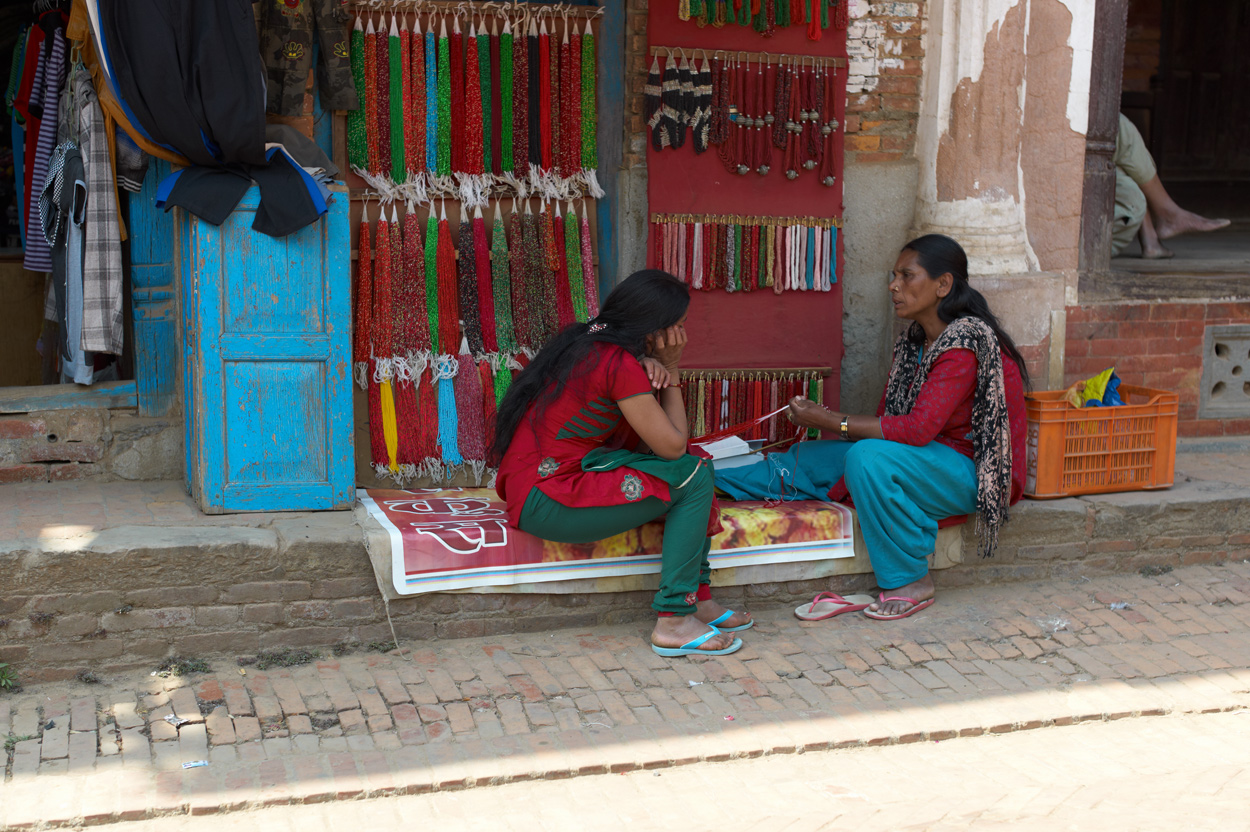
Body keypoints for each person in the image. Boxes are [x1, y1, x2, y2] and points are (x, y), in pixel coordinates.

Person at [716, 235, 1028, 620]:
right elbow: (888, 423)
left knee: (866, 459)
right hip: (925, 459)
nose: (893, 286)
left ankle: (910, 579)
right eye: (893, 275)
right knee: (808, 457)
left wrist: (828, 420)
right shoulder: (914, 342)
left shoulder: (965, 345)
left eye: (907, 276)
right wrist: (833, 433)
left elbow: (915, 430)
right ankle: (712, 479)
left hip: (973, 473)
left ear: (943, 285)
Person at [491, 269, 752, 657]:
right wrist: (673, 370)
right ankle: (674, 619)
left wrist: (648, 361)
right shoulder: (618, 364)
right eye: (678, 327)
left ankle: (699, 598)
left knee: (699, 465)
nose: (682, 336)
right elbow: (672, 446)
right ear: (654, 329)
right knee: (692, 475)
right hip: (547, 498)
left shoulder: (589, 342)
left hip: (540, 482)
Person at [1113, 114, 1229, 259]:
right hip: (1089, 244)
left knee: (1115, 145)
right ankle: (1168, 216)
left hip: (1112, 228)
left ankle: (1152, 238)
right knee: (1115, 124)